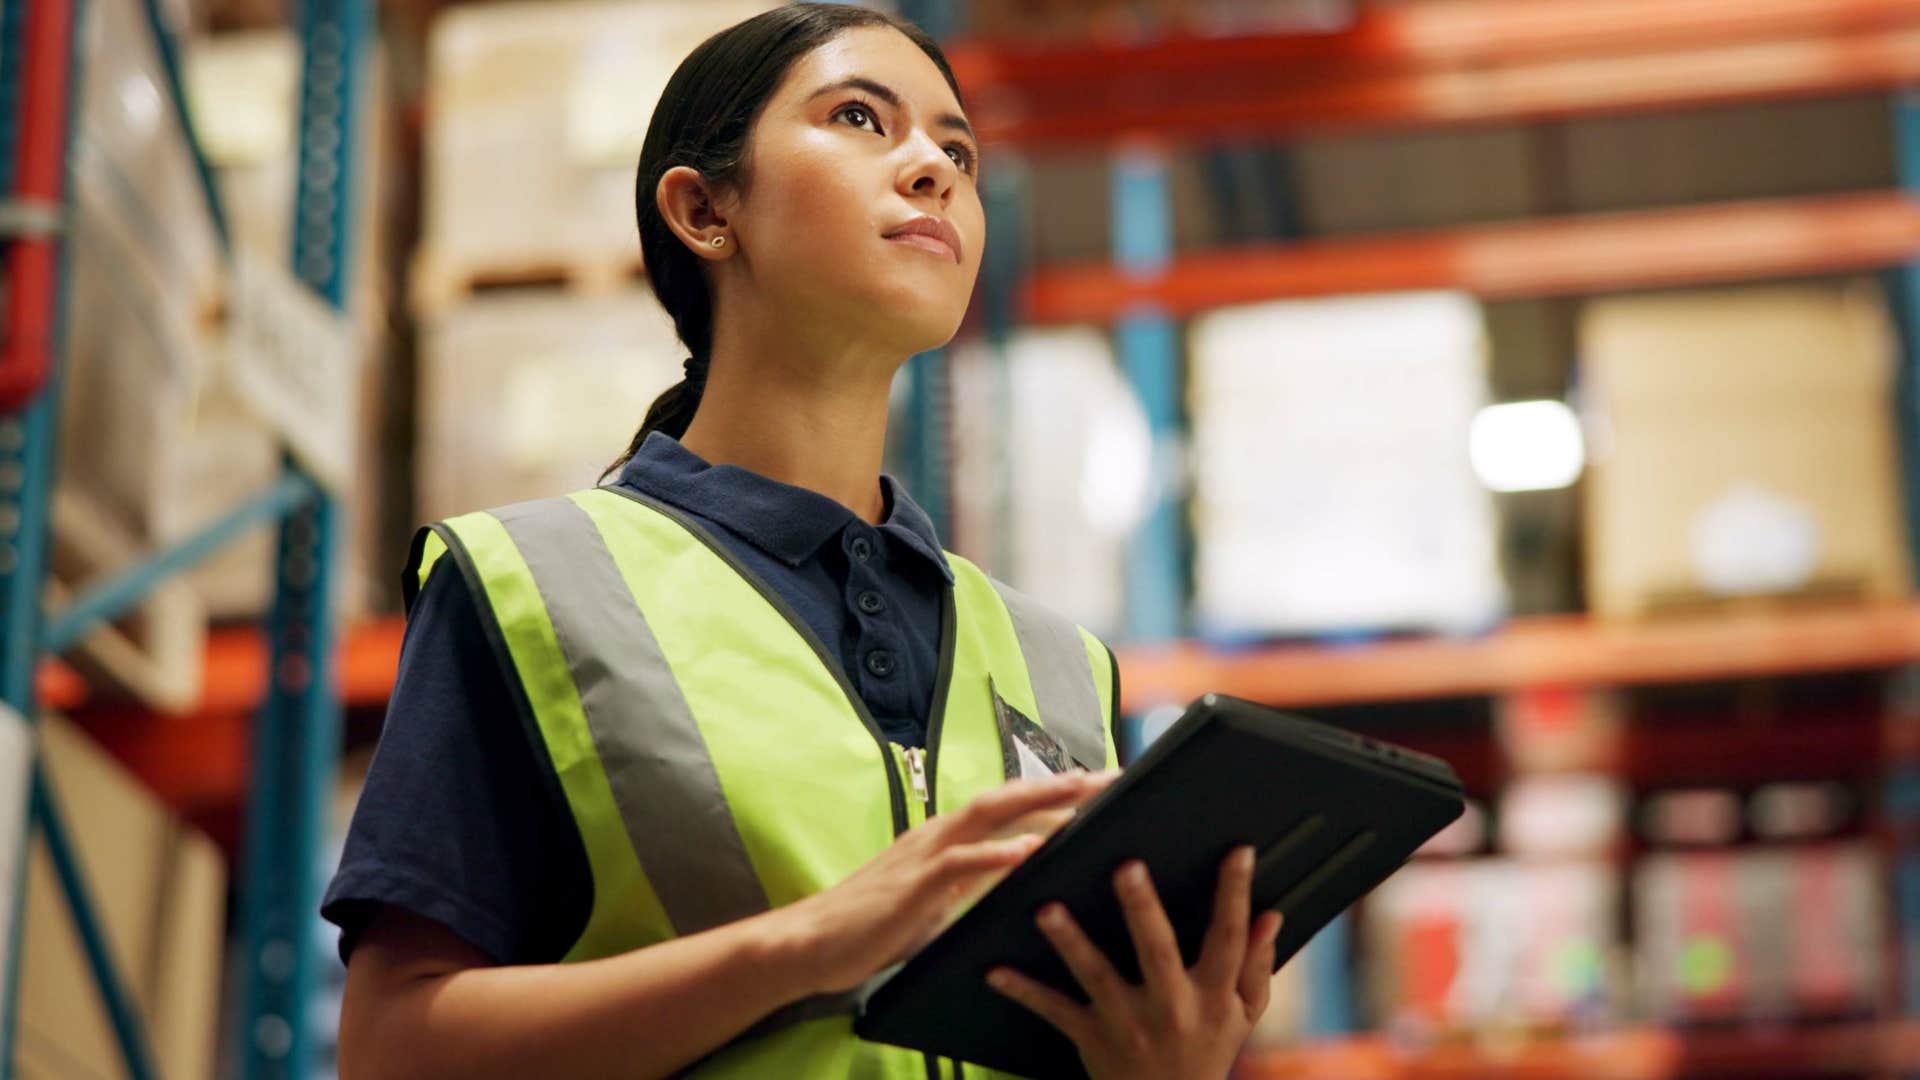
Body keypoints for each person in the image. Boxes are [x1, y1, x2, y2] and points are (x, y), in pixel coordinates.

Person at [324, 6, 1282, 1077]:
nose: (933, 167)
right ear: (702, 210)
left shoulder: (1062, 664)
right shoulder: (532, 589)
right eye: (862, 118)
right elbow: (390, 1049)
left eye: (957, 148)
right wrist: (807, 945)